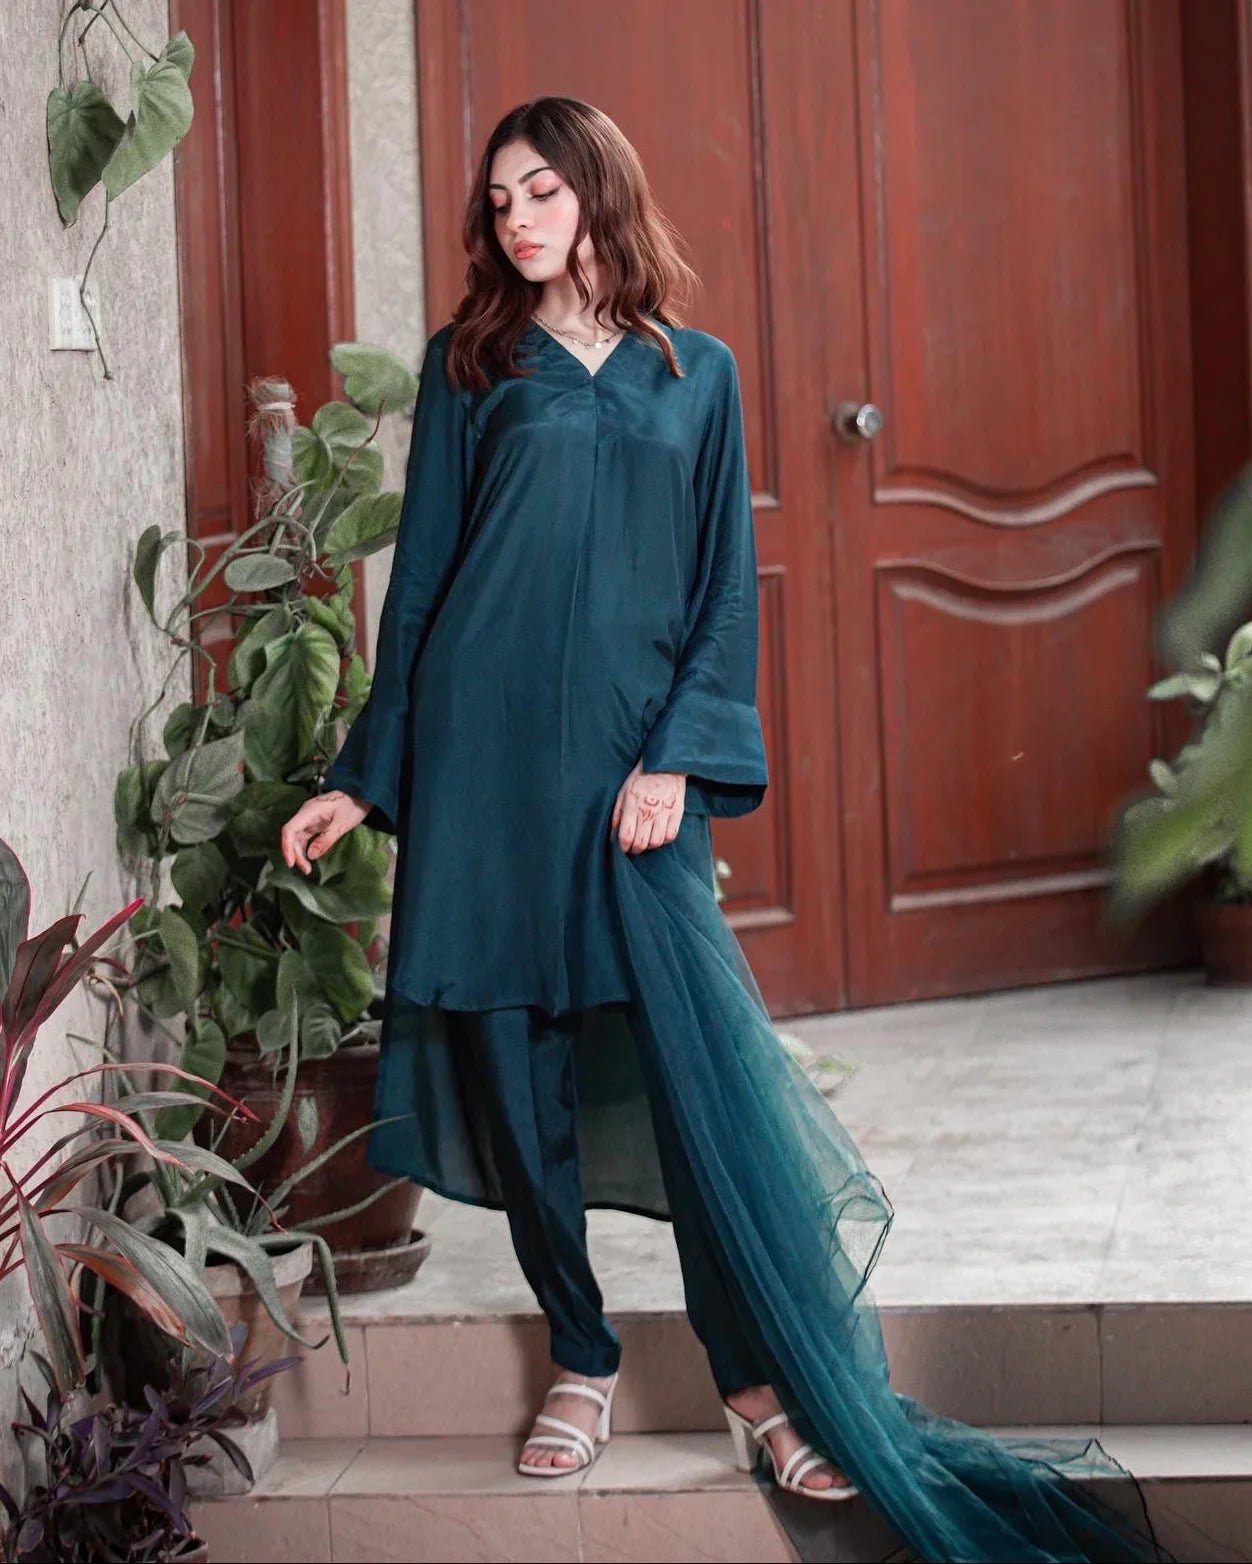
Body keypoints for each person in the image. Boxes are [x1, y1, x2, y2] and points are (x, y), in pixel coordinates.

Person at [281, 96, 1171, 1561]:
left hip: (632, 786)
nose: (518, 217)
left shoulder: (697, 375)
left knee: (695, 1093)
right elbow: (425, 580)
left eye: (544, 190)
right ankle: (583, 1356)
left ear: (597, 195)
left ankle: (756, 1382)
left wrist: (681, 765)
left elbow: (721, 590)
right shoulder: (469, 369)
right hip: (486, 778)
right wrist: (365, 775)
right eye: (498, 197)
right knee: (519, 1079)